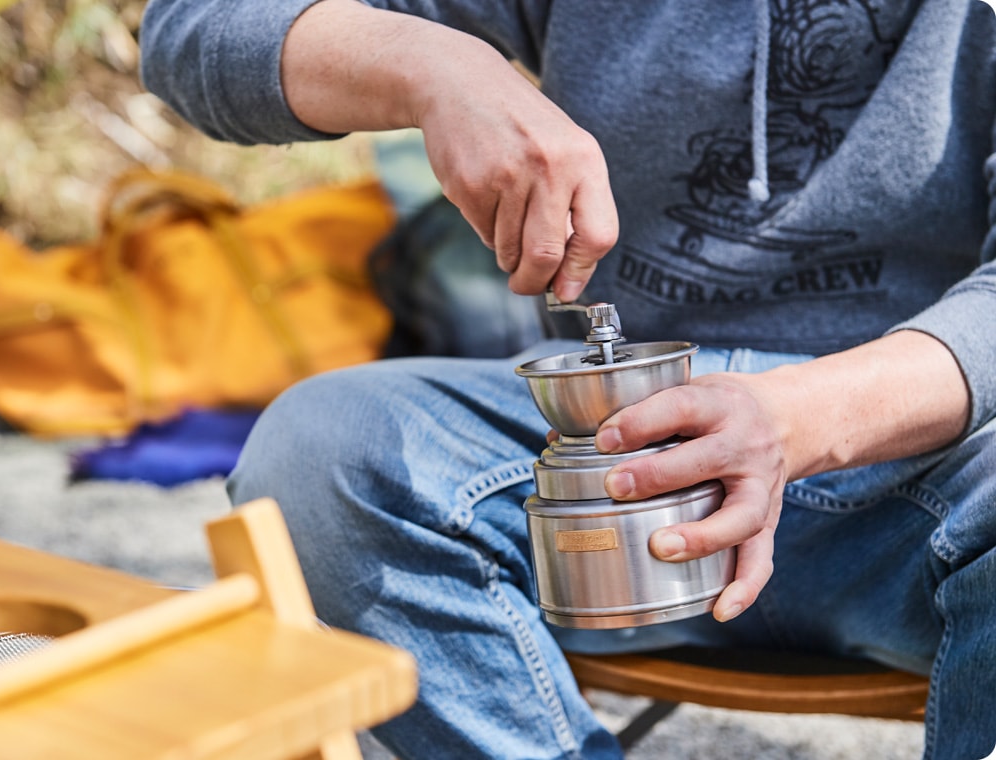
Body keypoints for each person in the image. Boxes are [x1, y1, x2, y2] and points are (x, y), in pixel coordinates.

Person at [138, 1, 996, 757]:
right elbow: (194, 30)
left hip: (923, 478)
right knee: (321, 454)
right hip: (603, 479)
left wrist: (805, 418)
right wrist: (436, 66)